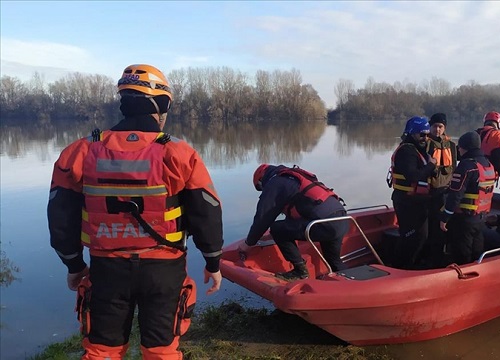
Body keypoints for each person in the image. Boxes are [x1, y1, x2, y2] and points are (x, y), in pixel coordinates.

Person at [47, 64, 224, 359]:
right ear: (163, 104)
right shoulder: (178, 154)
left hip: (107, 268)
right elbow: (207, 211)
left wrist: (73, 265)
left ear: (123, 102)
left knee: (101, 351)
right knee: (162, 351)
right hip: (164, 270)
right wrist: (213, 262)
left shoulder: (81, 151)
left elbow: (60, 215)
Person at [238, 164, 349, 281]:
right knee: (333, 260)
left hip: (323, 224)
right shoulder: (293, 178)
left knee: (277, 229)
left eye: (260, 187)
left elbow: (263, 217)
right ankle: (349, 284)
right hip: (340, 218)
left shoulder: (275, 183)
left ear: (262, 179)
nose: (263, 190)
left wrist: (249, 243)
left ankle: (300, 271)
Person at [387, 116, 436, 269]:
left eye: (427, 134)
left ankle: (410, 265)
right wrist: (430, 166)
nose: (425, 138)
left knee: (420, 236)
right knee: (412, 237)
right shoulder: (406, 151)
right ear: (411, 133)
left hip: (416, 201)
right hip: (407, 201)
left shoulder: (417, 150)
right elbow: (413, 176)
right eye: (422, 134)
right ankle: (401, 267)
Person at [440, 131, 496, 264]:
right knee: (477, 250)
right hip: (480, 217)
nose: (458, 150)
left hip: (464, 219)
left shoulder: (467, 166)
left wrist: (445, 217)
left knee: (461, 253)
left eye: (459, 147)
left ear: (464, 148)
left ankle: (462, 279)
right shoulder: (488, 164)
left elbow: (455, 194)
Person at [420, 112, 457, 267]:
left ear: (445, 128)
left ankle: (438, 257)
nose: (437, 130)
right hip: (429, 191)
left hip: (445, 192)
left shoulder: (451, 145)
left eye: (440, 126)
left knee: (441, 227)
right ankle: (427, 256)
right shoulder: (425, 144)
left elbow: (454, 167)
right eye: (434, 126)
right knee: (429, 226)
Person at [476, 111, 500, 190]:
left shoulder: (474, 134)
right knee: (483, 199)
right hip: (487, 176)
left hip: (470, 173)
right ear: (499, 124)